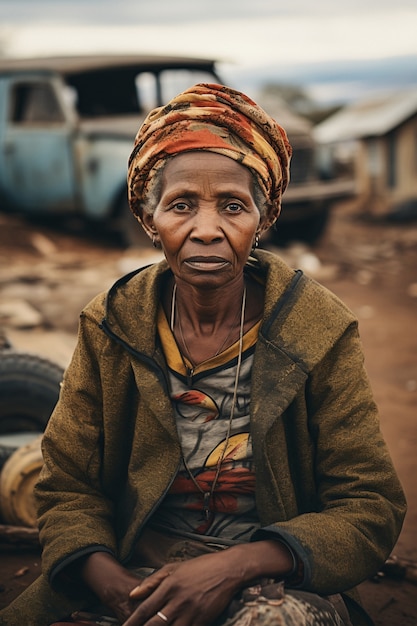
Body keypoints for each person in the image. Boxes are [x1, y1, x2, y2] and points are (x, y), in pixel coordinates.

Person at [0, 83, 406, 626]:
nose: (207, 230)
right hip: (135, 572)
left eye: (234, 206)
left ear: (263, 220)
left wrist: (241, 564)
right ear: (151, 218)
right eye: (182, 205)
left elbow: (369, 506)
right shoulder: (113, 323)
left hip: (271, 581)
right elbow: (68, 483)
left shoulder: (318, 328)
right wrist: (113, 584)